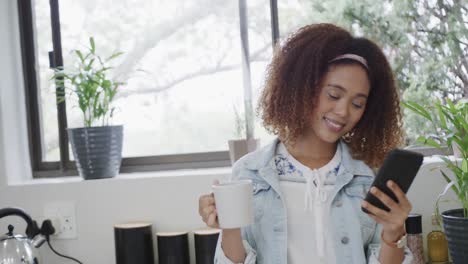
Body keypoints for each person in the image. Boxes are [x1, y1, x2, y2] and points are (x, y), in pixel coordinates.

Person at [199, 23, 413, 264]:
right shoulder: (250, 173)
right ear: (302, 87)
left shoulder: (367, 178)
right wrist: (228, 225)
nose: (343, 111)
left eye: (357, 104)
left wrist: (394, 232)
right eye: (333, 94)